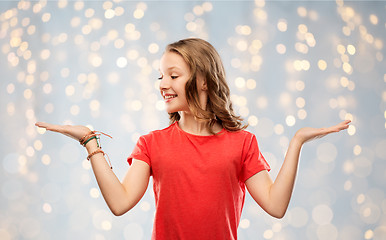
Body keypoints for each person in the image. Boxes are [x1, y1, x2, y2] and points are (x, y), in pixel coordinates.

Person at [35, 38, 350, 240]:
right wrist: (90, 141)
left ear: (202, 81)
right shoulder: (152, 143)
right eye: (161, 76)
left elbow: (276, 206)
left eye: (173, 75)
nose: (163, 84)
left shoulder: (242, 144)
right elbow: (119, 203)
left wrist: (296, 143)